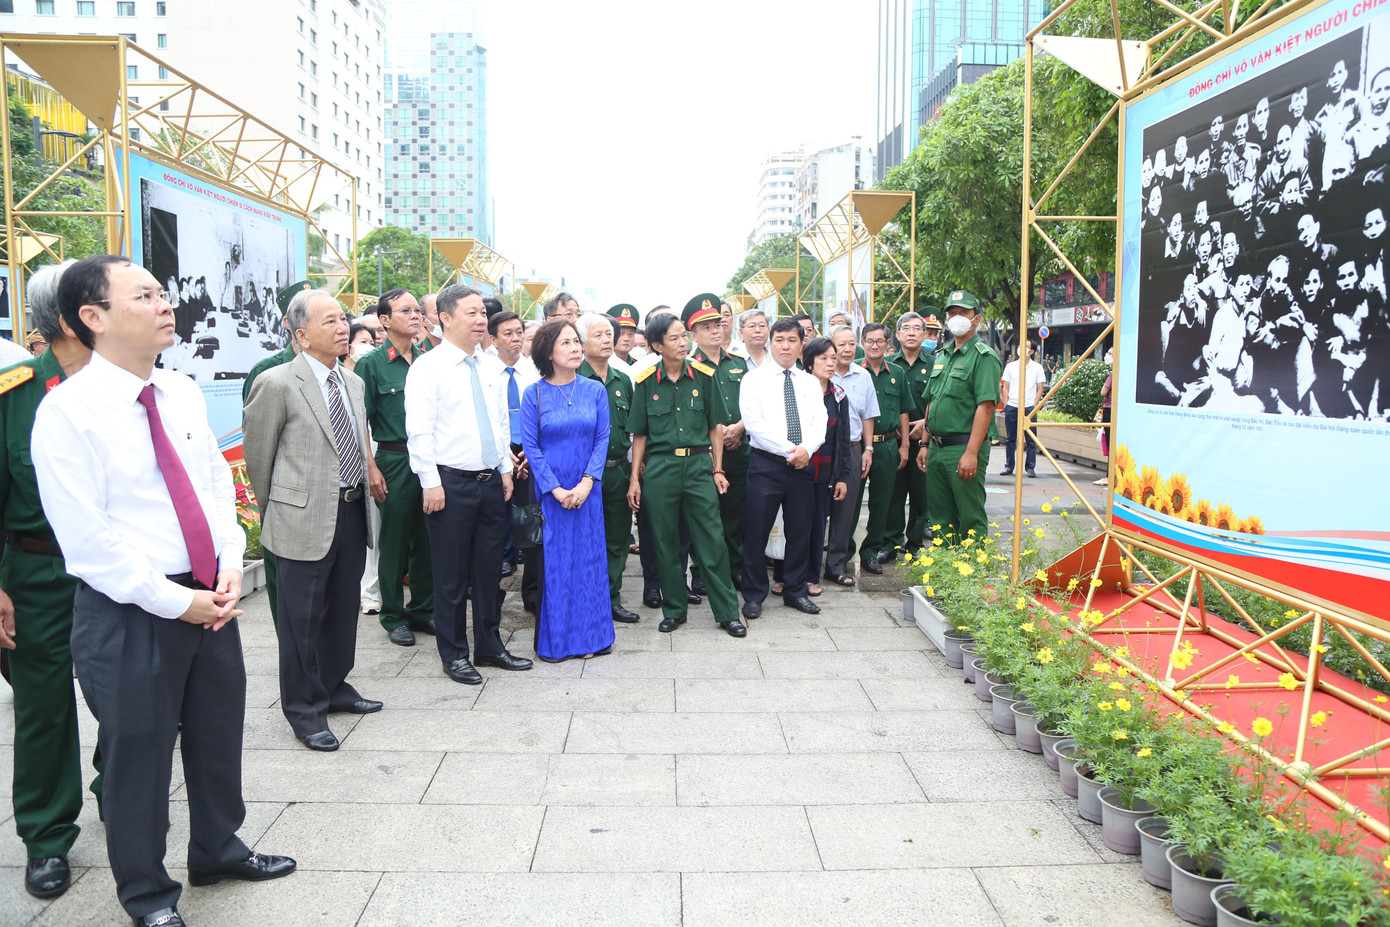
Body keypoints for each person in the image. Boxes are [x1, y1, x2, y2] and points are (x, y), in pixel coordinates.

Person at [33, 255, 295, 927]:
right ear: (92, 317)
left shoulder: (176, 389)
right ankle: (147, 893)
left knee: (215, 733)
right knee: (139, 758)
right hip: (130, 610)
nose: (163, 303)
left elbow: (211, 480)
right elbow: (88, 539)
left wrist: (229, 561)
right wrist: (177, 600)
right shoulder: (66, 412)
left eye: (161, 291)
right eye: (143, 294)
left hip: (209, 595)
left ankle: (216, 847)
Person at [0, 260, 104, 902]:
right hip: (38, 570)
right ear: (71, 317)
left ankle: (120, 798)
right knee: (43, 708)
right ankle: (46, 837)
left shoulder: (132, 384)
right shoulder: (14, 392)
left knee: (127, 697)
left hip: (119, 571)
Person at [243, 289, 384, 750]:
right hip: (300, 518)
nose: (343, 327)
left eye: (343, 319)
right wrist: (279, 513)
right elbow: (258, 459)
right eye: (330, 322)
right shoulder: (278, 382)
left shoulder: (353, 381)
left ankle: (335, 687)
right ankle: (303, 709)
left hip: (349, 510)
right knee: (300, 621)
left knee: (342, 613)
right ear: (301, 334)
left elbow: (358, 447)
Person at [405, 284, 533, 683]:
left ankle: (490, 645)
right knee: (450, 575)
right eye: (472, 313)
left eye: (483, 313)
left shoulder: (489, 366)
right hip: (449, 484)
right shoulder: (427, 367)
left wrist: (505, 471)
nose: (481, 320)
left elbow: (498, 423)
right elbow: (419, 431)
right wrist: (430, 482)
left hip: (491, 481)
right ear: (444, 318)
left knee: (489, 570)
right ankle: (454, 653)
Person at [627, 311, 744, 636]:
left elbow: (714, 429)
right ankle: (674, 609)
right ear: (656, 345)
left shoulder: (704, 376)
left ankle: (727, 612)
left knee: (712, 539)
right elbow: (640, 436)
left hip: (698, 467)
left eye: (684, 335)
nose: (683, 342)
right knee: (664, 542)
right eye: (675, 338)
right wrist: (635, 479)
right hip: (661, 468)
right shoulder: (646, 380)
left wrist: (717, 468)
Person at [521, 320, 615, 661]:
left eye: (577, 342)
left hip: (588, 490)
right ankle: (557, 642)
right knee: (558, 566)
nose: (576, 348)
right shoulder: (534, 393)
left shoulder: (595, 390)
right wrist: (556, 490)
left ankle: (592, 639)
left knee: (589, 563)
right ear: (548, 352)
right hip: (552, 494)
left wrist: (588, 481)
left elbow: (602, 438)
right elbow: (531, 446)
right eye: (567, 343)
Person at [353, 289, 436, 646]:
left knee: (427, 539)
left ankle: (423, 610)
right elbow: (360, 421)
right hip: (394, 459)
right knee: (395, 541)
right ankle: (392, 614)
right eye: (405, 310)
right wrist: (371, 468)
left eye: (417, 310)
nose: (415, 315)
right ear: (384, 320)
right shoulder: (372, 364)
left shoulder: (428, 359)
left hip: (429, 461)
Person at [739, 318, 827, 618]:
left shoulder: (809, 381)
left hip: (802, 464)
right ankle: (753, 595)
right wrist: (792, 450)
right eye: (779, 339)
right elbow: (754, 426)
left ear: (802, 343)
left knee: (800, 530)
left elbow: (820, 423)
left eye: (792, 339)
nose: (786, 345)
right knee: (756, 532)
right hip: (767, 464)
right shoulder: (753, 380)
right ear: (770, 342)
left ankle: (795, 590)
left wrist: (806, 450)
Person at [242, 283, 309, 626]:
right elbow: (258, 445)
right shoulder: (268, 372)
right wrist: (269, 505)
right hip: (284, 501)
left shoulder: (341, 373)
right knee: (286, 594)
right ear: (292, 325)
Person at [915, 290, 1002, 545]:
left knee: (969, 514)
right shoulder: (942, 356)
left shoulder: (984, 357)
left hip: (964, 447)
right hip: (937, 448)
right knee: (940, 516)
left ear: (977, 319)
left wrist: (972, 453)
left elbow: (985, 408)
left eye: (963, 313)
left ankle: (972, 575)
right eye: (952, 313)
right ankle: (946, 573)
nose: (957, 318)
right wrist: (924, 443)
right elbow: (932, 401)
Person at [685, 293, 750, 593]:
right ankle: (701, 571)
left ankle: (733, 568)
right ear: (693, 333)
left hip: (740, 450)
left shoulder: (739, 364)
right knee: (706, 516)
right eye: (707, 326)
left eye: (718, 323)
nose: (716, 329)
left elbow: (753, 405)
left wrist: (739, 427)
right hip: (705, 454)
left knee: (735, 514)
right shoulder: (687, 368)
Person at [579, 311, 639, 623]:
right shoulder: (573, 378)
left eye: (609, 334)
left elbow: (632, 430)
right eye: (598, 334)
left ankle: (611, 598)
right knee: (587, 540)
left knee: (617, 539)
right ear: (581, 341)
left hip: (617, 471)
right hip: (583, 475)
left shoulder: (622, 380)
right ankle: (588, 599)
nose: (607, 339)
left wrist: (633, 475)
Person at [491, 310, 541, 607]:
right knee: (495, 525)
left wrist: (529, 454)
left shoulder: (536, 372)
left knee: (531, 524)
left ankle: (533, 593)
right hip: (495, 455)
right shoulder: (483, 371)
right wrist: (503, 455)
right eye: (507, 333)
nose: (515, 338)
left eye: (518, 332)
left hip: (529, 454)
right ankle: (489, 589)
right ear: (493, 338)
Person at [856, 323, 911, 574]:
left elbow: (903, 410)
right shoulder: (853, 369)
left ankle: (870, 551)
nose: (874, 345)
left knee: (882, 503)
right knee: (851, 502)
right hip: (857, 446)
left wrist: (905, 445)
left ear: (889, 343)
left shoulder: (897, 373)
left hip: (888, 445)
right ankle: (843, 553)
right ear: (862, 342)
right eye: (869, 341)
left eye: (880, 341)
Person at [825, 324, 877, 586]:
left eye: (851, 343)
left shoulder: (863, 376)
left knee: (846, 510)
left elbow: (867, 416)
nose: (847, 349)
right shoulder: (820, 373)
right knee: (816, 508)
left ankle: (835, 565)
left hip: (854, 448)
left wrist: (868, 449)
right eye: (841, 344)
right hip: (823, 450)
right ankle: (809, 563)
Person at [802, 337, 852, 594]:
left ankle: (811, 576)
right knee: (792, 525)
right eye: (824, 358)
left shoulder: (838, 395)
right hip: (797, 467)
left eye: (833, 358)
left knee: (817, 524)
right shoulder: (797, 389)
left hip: (824, 471)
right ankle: (784, 575)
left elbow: (843, 439)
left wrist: (842, 476)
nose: (831, 363)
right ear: (809, 362)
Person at [890, 310, 936, 554]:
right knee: (893, 496)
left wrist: (924, 425)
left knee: (921, 496)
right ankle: (891, 541)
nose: (911, 332)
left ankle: (915, 542)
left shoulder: (935, 364)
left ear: (924, 334)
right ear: (898, 334)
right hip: (895, 441)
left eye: (917, 328)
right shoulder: (888, 365)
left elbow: (938, 400)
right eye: (906, 328)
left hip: (924, 440)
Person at [1000, 340, 1048, 477]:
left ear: (1032, 351)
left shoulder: (1037, 368)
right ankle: (1009, 466)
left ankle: (1030, 467)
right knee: (1010, 438)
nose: (1021, 349)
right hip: (1013, 405)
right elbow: (1006, 386)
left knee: (1031, 438)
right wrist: (1006, 403)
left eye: (1025, 347)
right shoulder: (1011, 366)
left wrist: (1034, 405)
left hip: (1029, 407)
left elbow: (1040, 389)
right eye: (1021, 346)